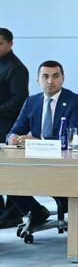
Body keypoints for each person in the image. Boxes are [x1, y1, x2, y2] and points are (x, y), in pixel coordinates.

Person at [6, 60, 78, 233]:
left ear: (63, 78)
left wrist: (36, 141)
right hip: (34, 161)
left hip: (64, 163)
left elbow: (71, 138)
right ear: (38, 80)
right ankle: (34, 210)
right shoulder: (32, 101)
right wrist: (13, 138)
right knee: (6, 176)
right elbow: (15, 130)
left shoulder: (75, 101)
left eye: (55, 76)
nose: (50, 81)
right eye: (45, 76)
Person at [0, 27, 30, 227]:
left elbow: (19, 99)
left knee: (9, 171)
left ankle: (13, 214)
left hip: (8, 124)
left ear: (11, 44)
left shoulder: (15, 67)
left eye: (0, 43)